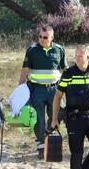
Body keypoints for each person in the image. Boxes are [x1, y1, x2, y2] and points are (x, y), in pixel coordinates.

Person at [18, 24, 66, 155]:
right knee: (38, 118)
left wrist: (68, 87)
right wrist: (19, 90)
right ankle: (41, 144)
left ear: (52, 37)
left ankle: (47, 133)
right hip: (37, 89)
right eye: (40, 37)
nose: (42, 39)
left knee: (59, 112)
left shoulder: (59, 50)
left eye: (45, 37)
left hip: (55, 89)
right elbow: (25, 71)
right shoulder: (32, 50)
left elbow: (64, 69)